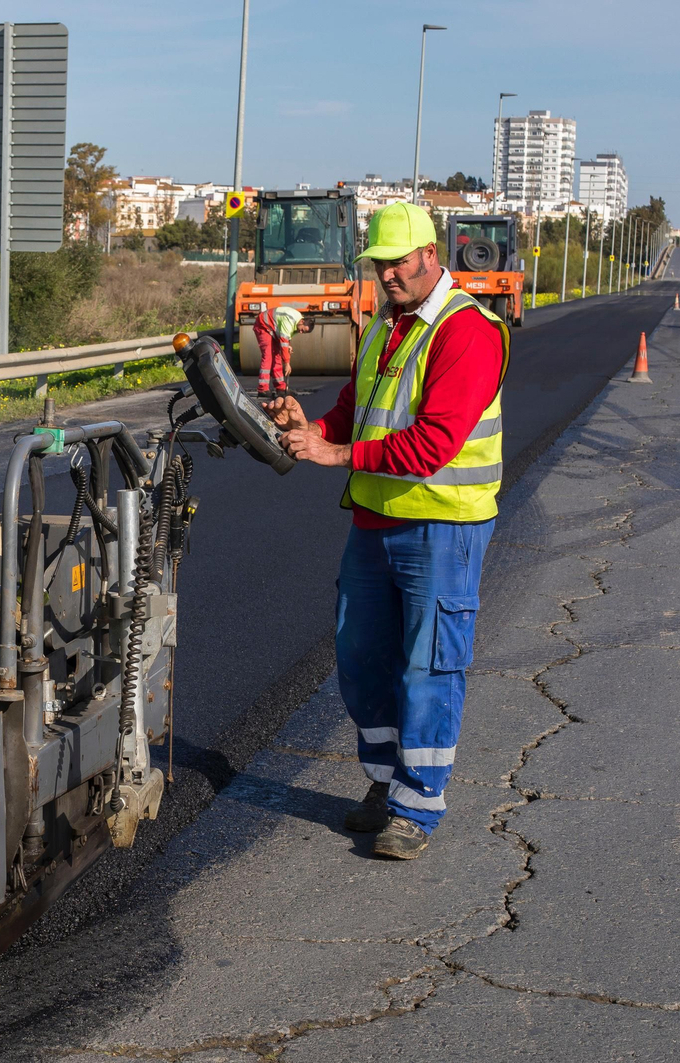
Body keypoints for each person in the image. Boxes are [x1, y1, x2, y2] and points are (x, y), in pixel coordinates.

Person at [265, 202, 508, 860]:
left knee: (429, 665)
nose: (388, 275)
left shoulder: (467, 331)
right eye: (379, 264)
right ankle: (385, 782)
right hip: (375, 523)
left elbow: (432, 443)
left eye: (398, 262)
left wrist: (336, 455)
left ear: (432, 255)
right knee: (362, 658)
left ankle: (417, 805)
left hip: (441, 526)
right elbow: (355, 410)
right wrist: (311, 429)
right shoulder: (384, 326)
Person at [254, 304, 303, 398]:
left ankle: (280, 388)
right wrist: (287, 363)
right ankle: (262, 389)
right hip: (263, 325)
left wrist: (288, 346)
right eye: (302, 330)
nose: (301, 332)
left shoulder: (296, 322)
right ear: (302, 322)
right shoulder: (290, 320)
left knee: (276, 357)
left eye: (303, 332)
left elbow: (285, 339)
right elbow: (284, 342)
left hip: (272, 328)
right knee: (268, 356)